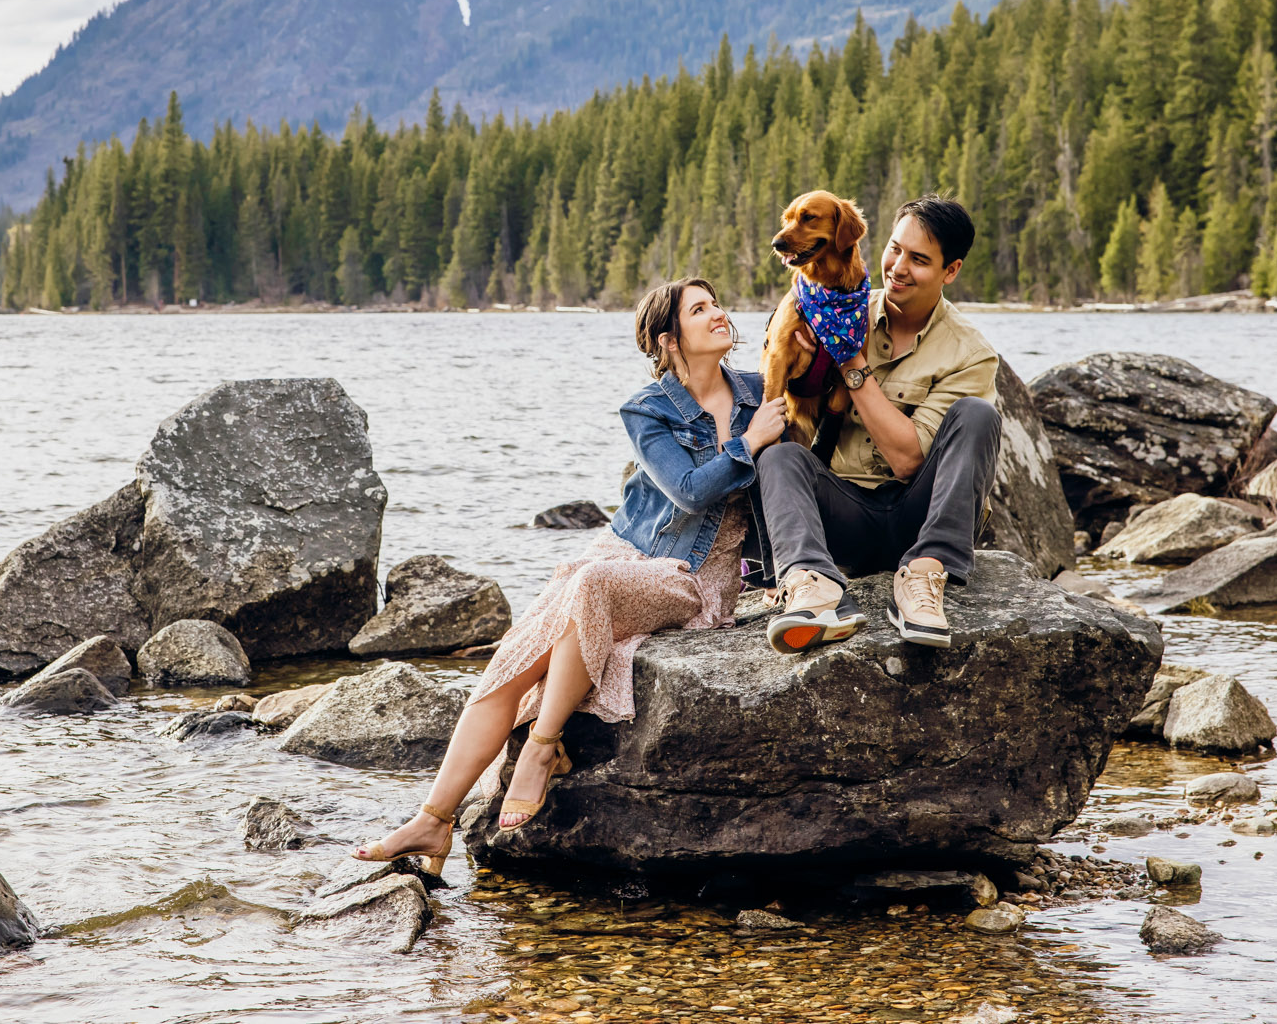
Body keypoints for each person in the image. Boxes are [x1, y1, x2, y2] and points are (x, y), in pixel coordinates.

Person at [352, 277, 788, 874]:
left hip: (692, 577)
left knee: (589, 590)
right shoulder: (649, 409)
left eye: (715, 304)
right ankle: (433, 820)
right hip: (623, 555)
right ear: (668, 339)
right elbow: (688, 493)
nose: (719, 314)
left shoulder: (761, 390)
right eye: (700, 309)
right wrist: (750, 442)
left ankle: (541, 747)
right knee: (510, 664)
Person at [759, 194, 1001, 655]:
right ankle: (812, 588)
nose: (898, 268)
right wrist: (804, 370)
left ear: (951, 271)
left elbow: (910, 460)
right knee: (781, 456)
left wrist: (848, 358)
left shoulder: (970, 353)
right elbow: (792, 406)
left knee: (978, 414)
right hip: (843, 514)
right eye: (895, 249)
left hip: (918, 516)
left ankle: (925, 578)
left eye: (919, 259)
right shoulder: (839, 306)